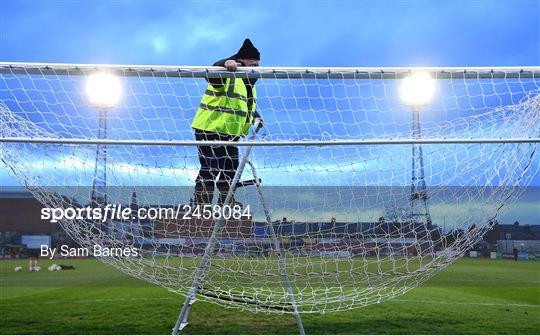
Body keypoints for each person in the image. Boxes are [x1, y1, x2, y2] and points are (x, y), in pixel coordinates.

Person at [191, 38, 262, 206]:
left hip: (231, 133)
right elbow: (211, 74)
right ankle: (202, 204)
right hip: (209, 128)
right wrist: (226, 63)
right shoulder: (228, 73)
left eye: (258, 64)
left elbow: (244, 105)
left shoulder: (249, 82)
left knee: (231, 168)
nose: (257, 68)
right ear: (242, 60)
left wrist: (255, 116)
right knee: (211, 167)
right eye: (254, 63)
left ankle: (226, 201)